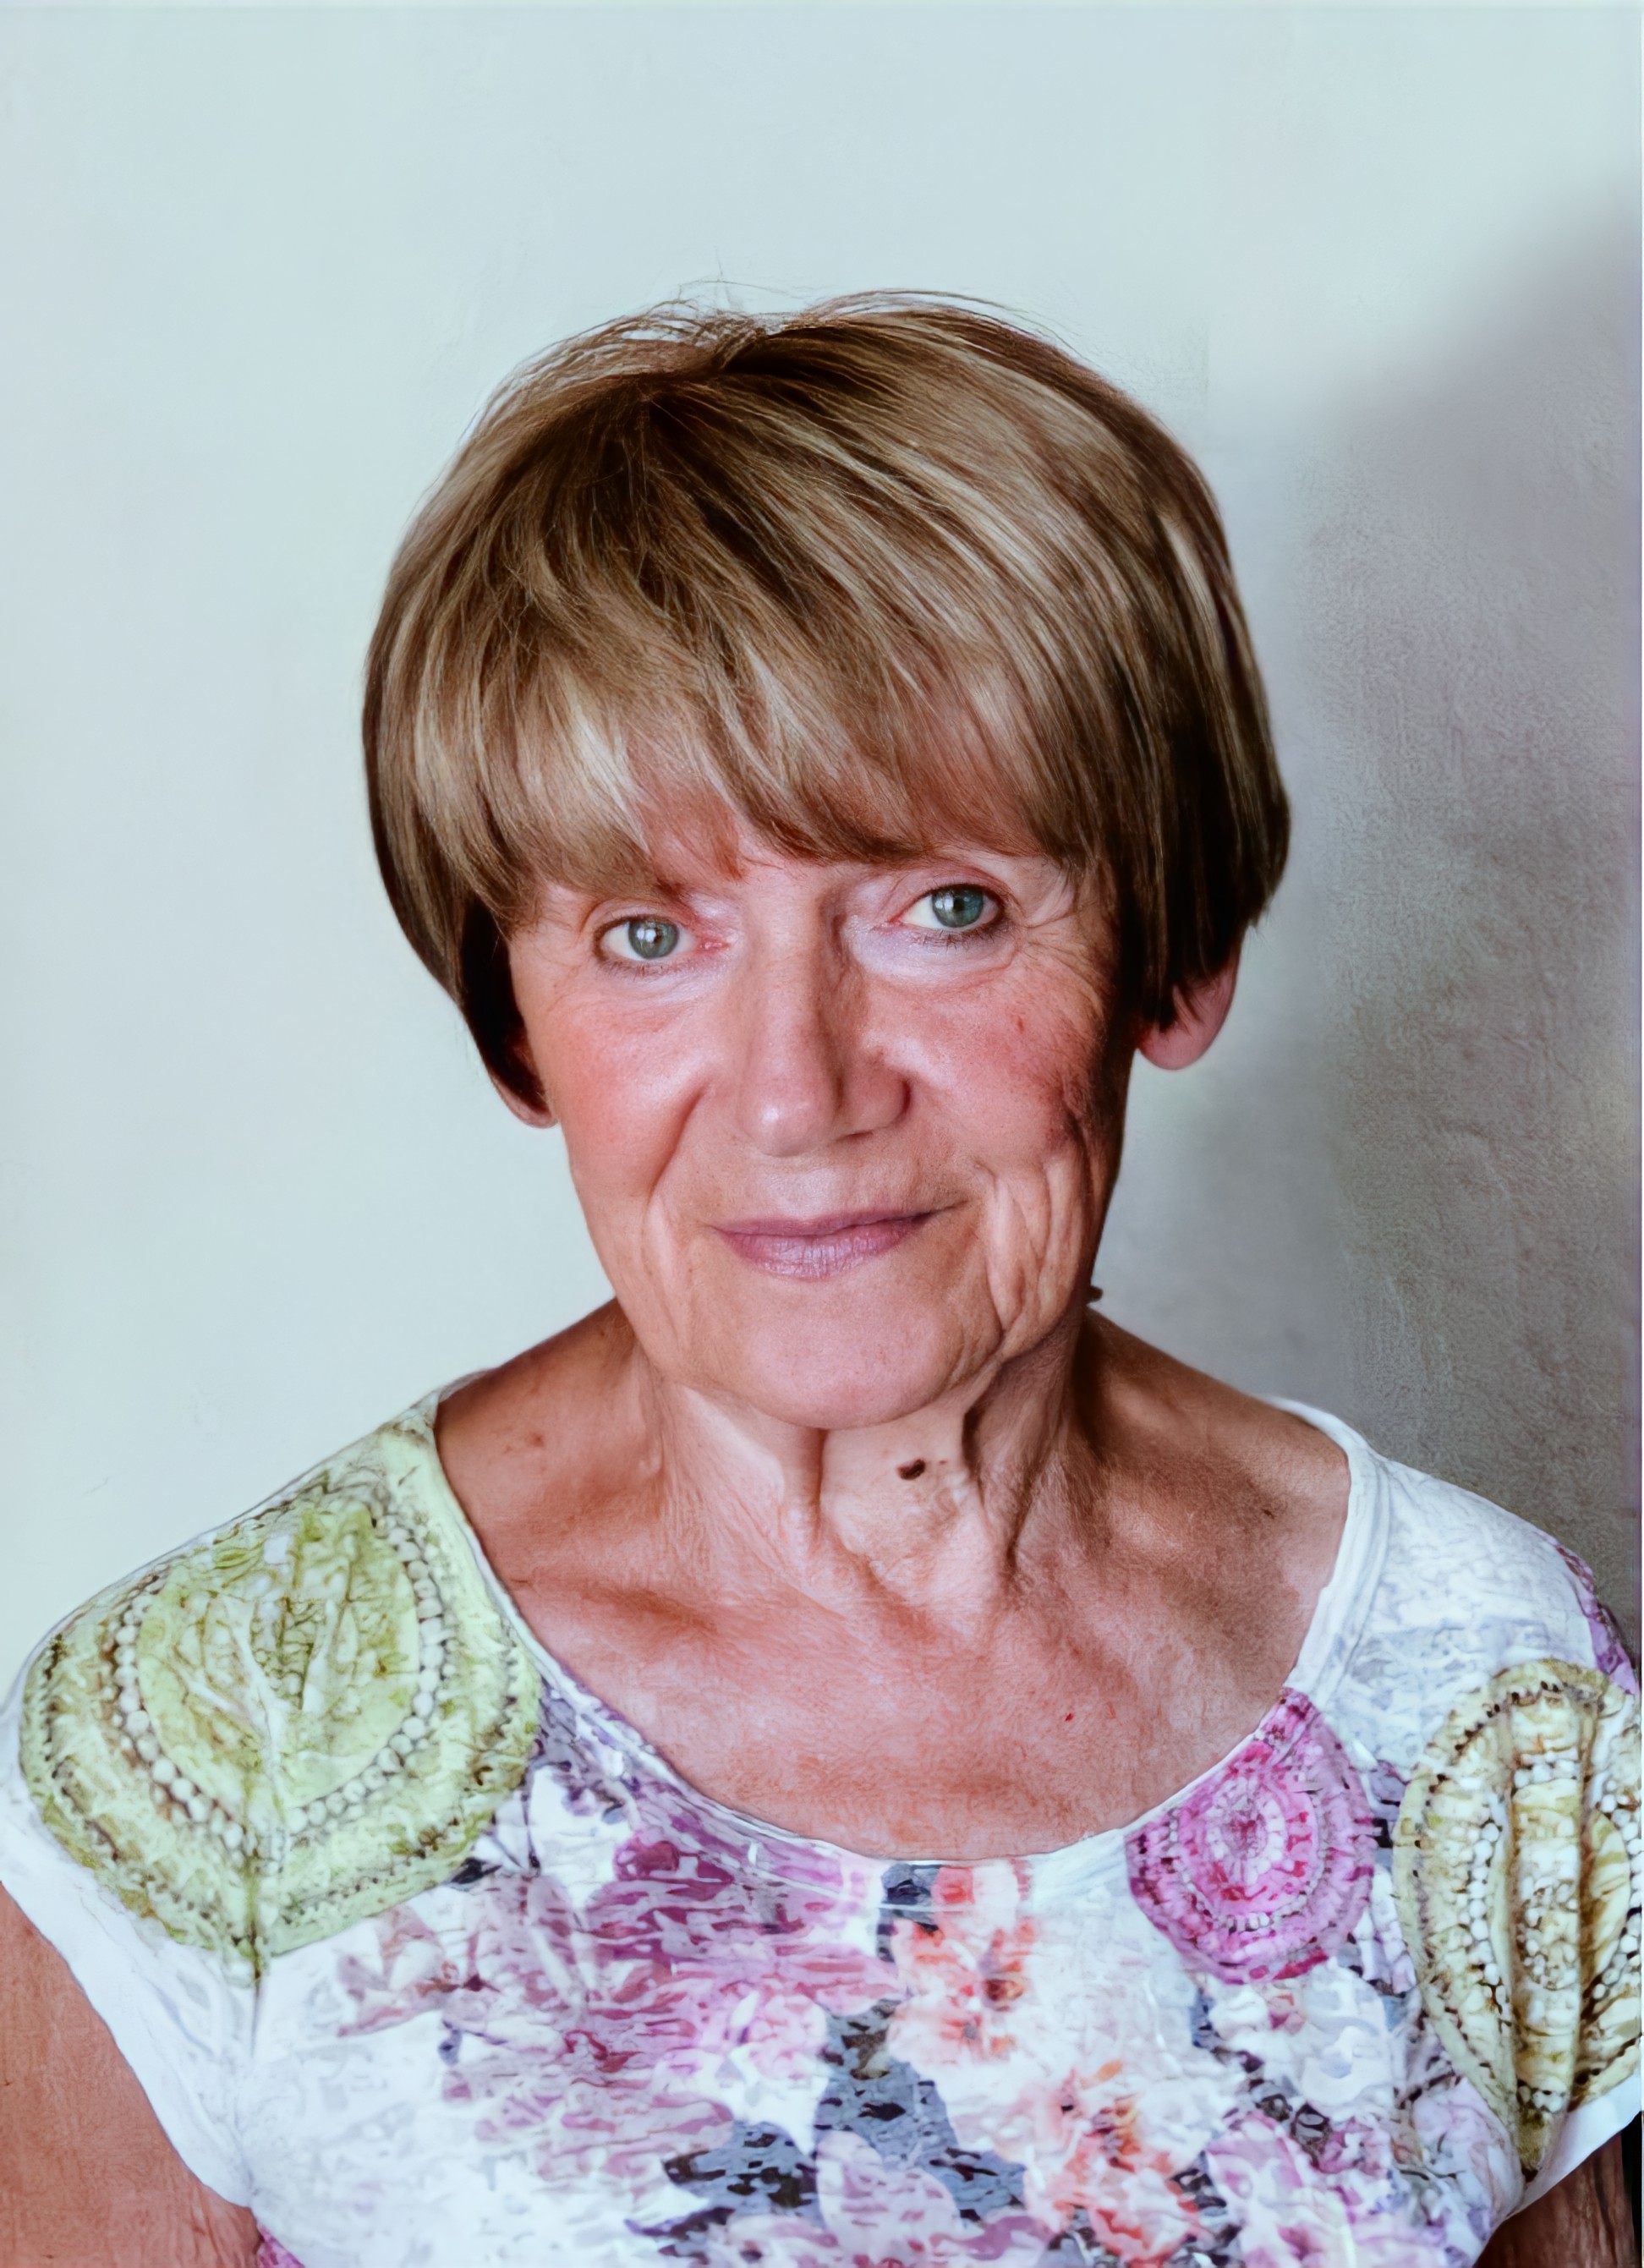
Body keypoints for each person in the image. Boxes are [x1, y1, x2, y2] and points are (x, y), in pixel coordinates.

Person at [0, 298, 1636, 2268]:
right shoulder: (212, 1738)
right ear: (514, 1021)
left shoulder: (1491, 1693)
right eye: (648, 935)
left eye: (947, 909)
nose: (799, 1091)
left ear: (1172, 954)